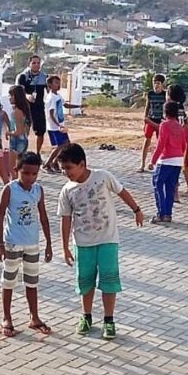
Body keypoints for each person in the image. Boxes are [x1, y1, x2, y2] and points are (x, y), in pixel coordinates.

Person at [57, 143, 144, 340]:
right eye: (63, 169)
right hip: (82, 243)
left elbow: (122, 192)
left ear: (82, 164)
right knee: (85, 282)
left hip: (108, 240)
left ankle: (109, 320)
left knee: (109, 281)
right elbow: (65, 219)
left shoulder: (102, 177)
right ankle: (86, 317)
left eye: (69, 168)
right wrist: (64, 247)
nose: (66, 173)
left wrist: (136, 210)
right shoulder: (67, 190)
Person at [0, 153, 54, 337]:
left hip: (32, 244)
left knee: (32, 281)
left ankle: (34, 316)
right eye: (26, 173)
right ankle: (6, 316)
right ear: (16, 171)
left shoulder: (38, 190)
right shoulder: (9, 190)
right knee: (9, 281)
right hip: (12, 243)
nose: (30, 177)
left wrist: (49, 244)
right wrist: (0, 244)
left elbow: (43, 217)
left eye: (34, 174)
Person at [148, 102, 188, 224]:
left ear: (165, 112)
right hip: (177, 160)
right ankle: (168, 214)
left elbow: (161, 144)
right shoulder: (179, 126)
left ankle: (160, 213)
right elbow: (184, 145)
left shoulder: (164, 125)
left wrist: (153, 160)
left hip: (166, 160)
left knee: (158, 185)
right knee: (170, 188)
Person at [42, 75, 85, 174]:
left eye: (59, 83)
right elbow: (51, 114)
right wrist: (57, 125)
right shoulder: (51, 97)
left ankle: (55, 162)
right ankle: (47, 164)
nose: (58, 85)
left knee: (66, 144)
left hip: (59, 125)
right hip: (54, 126)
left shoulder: (58, 96)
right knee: (60, 146)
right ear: (50, 85)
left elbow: (65, 104)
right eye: (56, 83)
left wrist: (78, 106)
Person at [166, 84, 188, 199]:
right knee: (184, 165)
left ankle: (176, 192)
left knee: (176, 165)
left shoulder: (171, 108)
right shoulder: (182, 108)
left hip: (179, 141)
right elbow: (187, 125)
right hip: (186, 140)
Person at [17, 55, 48, 159]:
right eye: (34, 63)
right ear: (29, 64)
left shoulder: (44, 77)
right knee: (25, 130)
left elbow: (49, 91)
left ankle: (38, 153)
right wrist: (27, 96)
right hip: (26, 107)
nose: (36, 65)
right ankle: (23, 153)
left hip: (38, 107)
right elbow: (18, 91)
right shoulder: (23, 76)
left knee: (41, 131)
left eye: (38, 63)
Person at [139, 74, 167, 172]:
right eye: (154, 83)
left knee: (160, 143)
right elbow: (147, 106)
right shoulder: (150, 94)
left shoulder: (165, 94)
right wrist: (145, 117)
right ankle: (142, 164)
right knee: (147, 141)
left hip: (161, 121)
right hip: (150, 119)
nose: (156, 85)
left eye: (158, 83)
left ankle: (156, 163)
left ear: (162, 84)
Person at [5, 85, 32, 180]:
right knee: (20, 167)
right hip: (24, 140)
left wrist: (8, 133)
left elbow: (18, 131)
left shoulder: (16, 112)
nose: (9, 98)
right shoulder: (25, 110)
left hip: (16, 141)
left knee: (13, 169)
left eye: (11, 95)